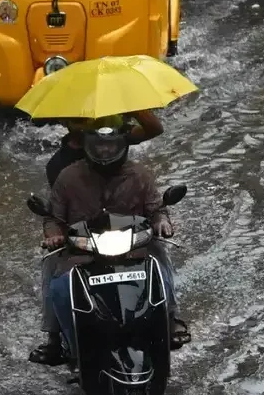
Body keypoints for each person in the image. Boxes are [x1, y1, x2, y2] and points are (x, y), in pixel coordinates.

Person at [28, 113, 188, 366]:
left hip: (133, 245)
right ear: (87, 144)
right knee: (51, 267)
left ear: (123, 144)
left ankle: (170, 318)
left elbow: (157, 208)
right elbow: (53, 218)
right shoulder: (67, 176)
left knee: (160, 253)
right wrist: (54, 236)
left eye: (110, 145)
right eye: (99, 145)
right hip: (81, 248)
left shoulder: (140, 175)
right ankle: (53, 339)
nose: (104, 150)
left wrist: (161, 222)